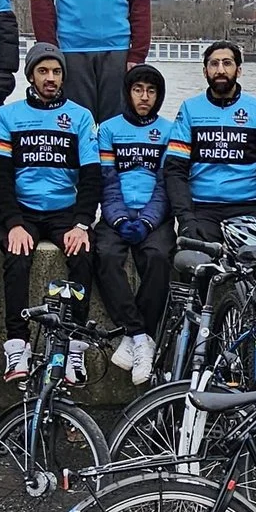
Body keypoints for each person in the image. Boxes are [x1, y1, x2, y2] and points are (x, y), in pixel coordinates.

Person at [0, 42, 102, 384]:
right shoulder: (6, 116)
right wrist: (13, 223)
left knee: (83, 254)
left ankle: (73, 346)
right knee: (16, 257)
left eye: (56, 72)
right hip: (21, 209)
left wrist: (82, 223)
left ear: (63, 76)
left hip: (64, 210)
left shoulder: (81, 117)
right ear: (31, 76)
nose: (50, 78)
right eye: (43, 71)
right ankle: (17, 345)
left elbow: (91, 177)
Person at [161, 40, 256, 246]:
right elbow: (175, 169)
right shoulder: (189, 109)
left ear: (239, 70)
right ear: (205, 71)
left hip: (247, 206)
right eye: (214, 64)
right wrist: (185, 217)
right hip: (201, 208)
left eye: (227, 63)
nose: (220, 70)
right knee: (192, 260)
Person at [95, 62, 174, 385]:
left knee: (159, 258)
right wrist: (118, 217)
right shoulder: (108, 130)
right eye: (138, 90)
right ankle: (140, 334)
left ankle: (134, 338)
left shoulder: (169, 130)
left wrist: (147, 221)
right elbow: (108, 181)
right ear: (128, 93)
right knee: (105, 256)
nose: (144, 97)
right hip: (117, 214)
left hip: (154, 216)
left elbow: (165, 184)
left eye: (151, 91)